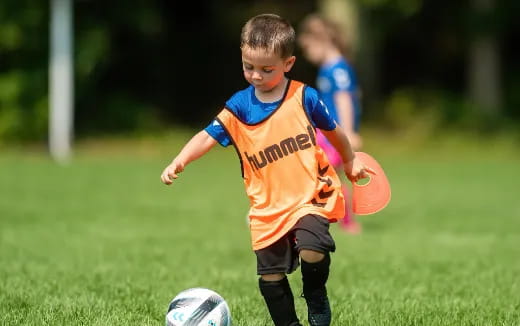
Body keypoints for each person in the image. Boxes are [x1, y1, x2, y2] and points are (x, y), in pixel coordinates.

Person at [160, 13, 374, 326]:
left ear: (288, 63)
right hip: (267, 207)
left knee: (313, 248)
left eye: (266, 69)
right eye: (249, 67)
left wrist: (350, 158)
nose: (256, 75)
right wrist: (180, 159)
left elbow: (334, 131)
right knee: (271, 276)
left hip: (309, 196)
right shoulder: (239, 107)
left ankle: (315, 295)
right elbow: (207, 136)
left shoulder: (304, 97)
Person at [297, 14, 364, 234]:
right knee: (325, 175)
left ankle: (342, 221)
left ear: (322, 40)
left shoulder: (338, 69)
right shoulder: (329, 68)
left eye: (308, 48)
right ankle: (343, 221)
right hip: (325, 132)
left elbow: (344, 99)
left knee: (320, 174)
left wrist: (348, 131)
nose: (308, 55)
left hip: (332, 133)